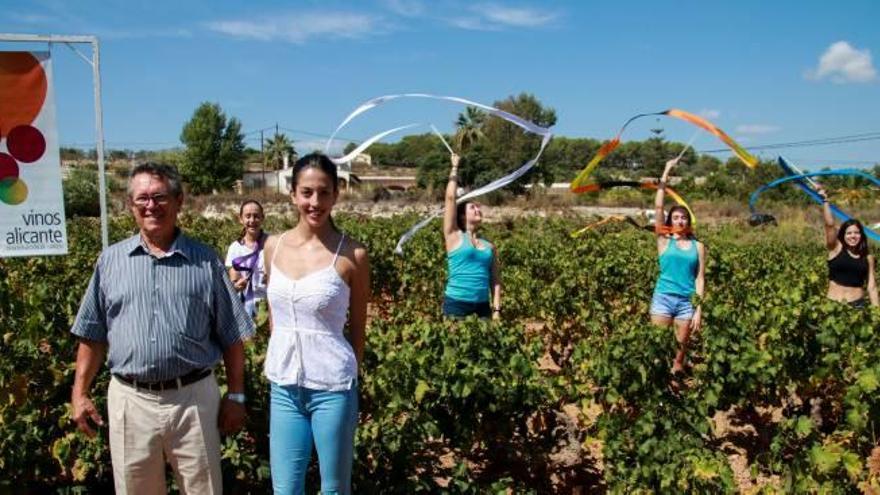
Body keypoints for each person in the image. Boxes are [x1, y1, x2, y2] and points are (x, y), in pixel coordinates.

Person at [70, 162, 255, 494]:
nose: (150, 206)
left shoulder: (205, 261)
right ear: (131, 205)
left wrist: (237, 395)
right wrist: (79, 392)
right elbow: (92, 334)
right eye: (142, 198)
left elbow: (231, 335)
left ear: (179, 200)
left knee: (203, 489)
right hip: (131, 401)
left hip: (193, 401)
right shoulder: (110, 262)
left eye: (159, 197)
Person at [262, 153, 370, 495]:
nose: (315, 202)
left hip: (332, 388)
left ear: (336, 195)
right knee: (285, 489)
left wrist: (350, 375)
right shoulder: (272, 247)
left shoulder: (353, 255)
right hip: (283, 387)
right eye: (307, 192)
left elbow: (358, 329)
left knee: (334, 489)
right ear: (293, 194)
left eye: (324, 193)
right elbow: (274, 317)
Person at [650, 158, 707, 381]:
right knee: (657, 350)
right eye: (676, 217)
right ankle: (656, 390)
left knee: (679, 355)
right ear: (670, 220)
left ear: (688, 221)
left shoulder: (698, 246)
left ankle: (673, 392)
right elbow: (658, 207)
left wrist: (698, 309)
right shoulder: (664, 241)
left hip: (686, 303)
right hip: (663, 298)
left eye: (683, 217)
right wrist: (665, 173)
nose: (680, 220)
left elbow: (700, 279)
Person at [441, 152, 502, 319]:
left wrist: (496, 310)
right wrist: (454, 167)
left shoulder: (489, 246)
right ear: (462, 216)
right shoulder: (454, 235)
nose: (478, 209)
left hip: (483, 308)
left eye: (478, 207)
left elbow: (495, 280)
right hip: (456, 305)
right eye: (472, 208)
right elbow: (450, 198)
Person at [816, 185, 879, 308]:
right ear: (843, 235)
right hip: (832, 305)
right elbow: (829, 225)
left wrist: (877, 313)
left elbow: (871, 287)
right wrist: (825, 200)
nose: (853, 236)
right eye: (849, 233)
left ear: (861, 235)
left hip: (857, 305)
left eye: (856, 233)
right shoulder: (835, 248)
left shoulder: (868, 257)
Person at [226, 199, 269, 318]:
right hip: (245, 307)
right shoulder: (235, 248)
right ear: (241, 219)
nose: (252, 220)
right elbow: (233, 283)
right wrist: (237, 286)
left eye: (256, 216)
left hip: (268, 305)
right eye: (248, 216)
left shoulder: (272, 243)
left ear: (262, 218)